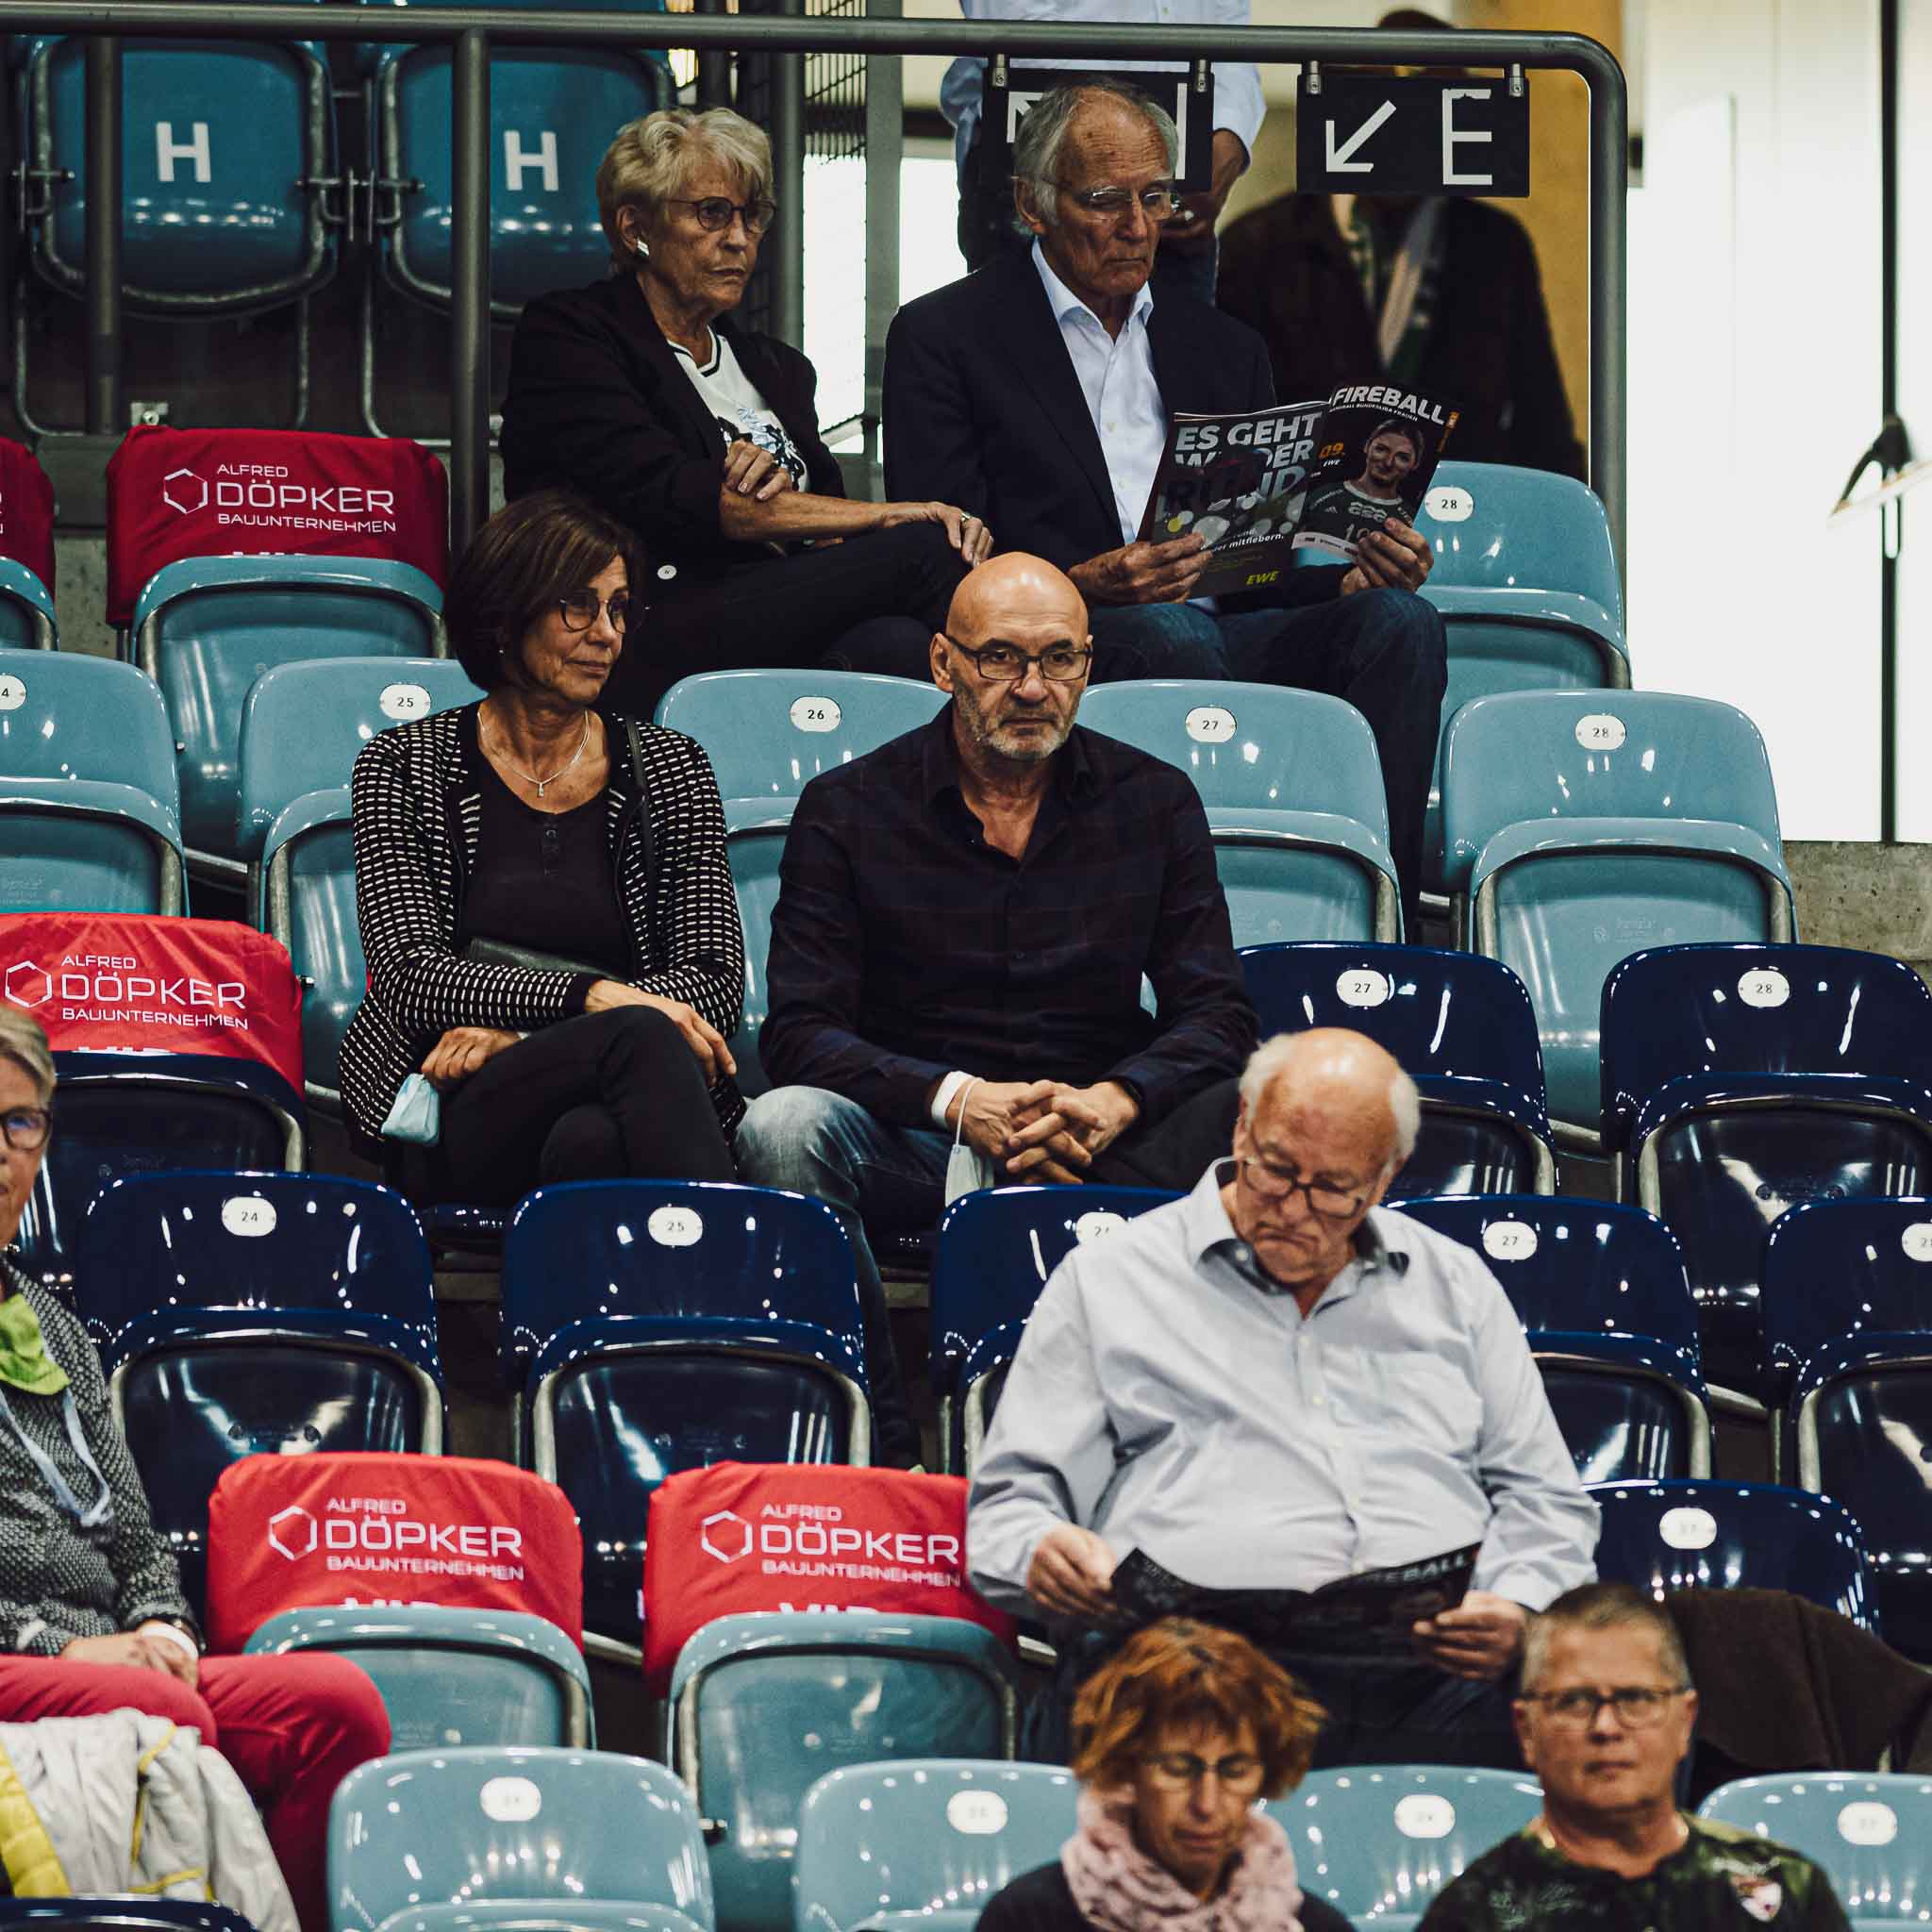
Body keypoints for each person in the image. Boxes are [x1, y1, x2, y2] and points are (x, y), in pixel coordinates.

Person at [883, 81, 1446, 931]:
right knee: (1173, 632)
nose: (1138, 226)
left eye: (1156, 198)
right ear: (1034, 206)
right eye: (1105, 201)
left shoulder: (1223, 346)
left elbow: (1254, 573)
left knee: (1401, 622)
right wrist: (1084, 585)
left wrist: (1347, 579)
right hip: (1068, 640)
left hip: (1217, 625)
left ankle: (1379, 913)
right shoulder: (945, 336)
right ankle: (1191, 917)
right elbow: (939, 558)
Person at [733, 552, 1257, 1462]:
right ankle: (879, 1446)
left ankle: (1200, 1450)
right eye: (1000, 658)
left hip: (1096, 1129)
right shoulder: (848, 808)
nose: (1033, 688)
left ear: (1089, 665)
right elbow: (802, 1033)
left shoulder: (1154, 800)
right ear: (944, 664)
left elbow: (1216, 1012)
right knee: (784, 1126)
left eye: (1059, 659)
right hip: (921, 1132)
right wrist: (960, 1101)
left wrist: (1114, 1102)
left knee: (1268, 1104)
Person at [967, 1026, 1599, 1769]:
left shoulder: (1454, 1284)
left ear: (1386, 1176)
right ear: (1242, 1126)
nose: (1294, 1209)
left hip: (1427, 1674)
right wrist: (1045, 1554)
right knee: (1128, 1692)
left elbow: (1546, 1499)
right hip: (1189, 1669)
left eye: (1333, 1189)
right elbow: (1009, 1512)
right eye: (1275, 1170)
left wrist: (1518, 1606)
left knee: (1612, 1704)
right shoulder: (1111, 1279)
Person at [0, 1008, 391, 1932]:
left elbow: (131, 1533)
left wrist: (162, 1623)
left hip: (101, 1655)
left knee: (336, 1706)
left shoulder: (51, 1326)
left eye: (20, 1122)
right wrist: (57, 1648)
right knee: (153, 1711)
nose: (2, 1154)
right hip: (35, 1655)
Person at [500, 108, 993, 721]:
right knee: (926, 548)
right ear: (635, 227)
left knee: (896, 645)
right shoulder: (572, 334)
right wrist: (886, 514)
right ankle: (1035, 687)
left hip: (769, 608)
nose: (739, 238)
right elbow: (670, 494)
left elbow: (827, 519)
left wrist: (829, 525)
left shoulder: (776, 367)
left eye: (751, 216)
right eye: (712, 213)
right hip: (639, 614)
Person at [339, 490, 745, 1211]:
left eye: (619, 609)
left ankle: (650, 1285)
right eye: (579, 607)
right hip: (457, 1100)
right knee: (636, 1035)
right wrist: (596, 999)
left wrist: (523, 1032)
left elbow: (713, 979)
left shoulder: (671, 767)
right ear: (506, 615)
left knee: (593, 1142)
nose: (608, 634)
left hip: (614, 1101)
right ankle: (736, 1268)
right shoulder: (404, 764)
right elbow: (409, 974)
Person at [1216, 9, 1586, 479]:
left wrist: (1562, 513)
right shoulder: (1259, 242)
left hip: (1457, 508)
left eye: (1425, 120)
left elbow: (1543, 423)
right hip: (1300, 510)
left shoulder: (1496, 246)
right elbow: (1227, 417)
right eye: (1389, 116)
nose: (1404, 142)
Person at [1417, 1584, 1855, 1931]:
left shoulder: (1785, 1890)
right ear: (1527, 1730)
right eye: (1574, 1701)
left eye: (1637, 1698)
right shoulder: (1474, 1915)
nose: (1606, 1727)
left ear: (1685, 1722)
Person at [977, 1619, 1356, 1932]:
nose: (1207, 1805)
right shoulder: (1027, 1919)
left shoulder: (1316, 1926)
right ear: (1126, 1767)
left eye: (1235, 1770)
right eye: (1178, 1769)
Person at [939, 2, 1263, 303]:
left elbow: (1230, 23)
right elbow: (1015, 17)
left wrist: (1230, 135)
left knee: (1180, 343)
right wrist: (1116, 131)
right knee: (1018, 341)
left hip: (1176, 172)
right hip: (1036, 150)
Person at [1296, 420, 1426, 556]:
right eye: (1381, 449)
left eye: (1402, 458)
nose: (1388, 462)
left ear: (1415, 464)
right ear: (1367, 447)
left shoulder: (1414, 520)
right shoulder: (1322, 495)